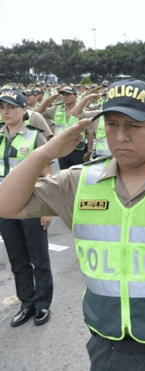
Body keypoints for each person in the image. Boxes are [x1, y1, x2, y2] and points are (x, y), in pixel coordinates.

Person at [0, 80, 145, 370]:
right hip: (107, 345)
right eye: (112, 125)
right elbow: (6, 204)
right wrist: (44, 153)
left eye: (134, 126)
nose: (121, 136)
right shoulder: (80, 182)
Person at [0, 89, 54, 327]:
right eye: (2, 107)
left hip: (32, 205)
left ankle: (43, 305)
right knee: (18, 259)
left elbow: (48, 173)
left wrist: (47, 208)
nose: (6, 112)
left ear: (24, 110)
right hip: (5, 207)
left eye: (11, 107)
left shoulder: (35, 136)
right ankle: (27, 303)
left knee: (39, 258)